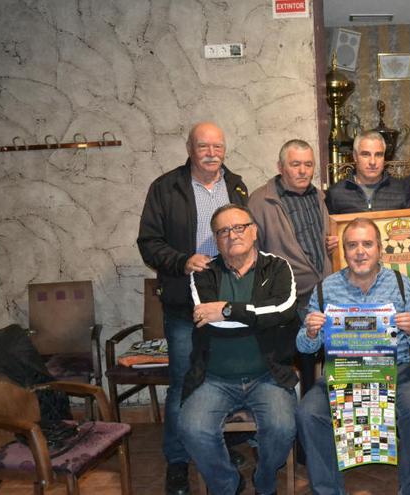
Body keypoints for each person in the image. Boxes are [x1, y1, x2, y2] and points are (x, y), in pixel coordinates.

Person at [137, 121, 248, 495]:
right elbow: (148, 242)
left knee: (226, 379)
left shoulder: (237, 185)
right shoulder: (165, 187)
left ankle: (218, 449)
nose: (212, 152)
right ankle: (178, 461)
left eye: (218, 146)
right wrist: (182, 260)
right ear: (190, 148)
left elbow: (246, 234)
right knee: (185, 383)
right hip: (185, 305)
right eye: (204, 146)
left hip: (228, 300)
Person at [295, 218, 410, 494]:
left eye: (367, 244)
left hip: (395, 372)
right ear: (343, 251)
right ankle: (327, 490)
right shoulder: (325, 288)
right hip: (342, 374)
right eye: (352, 245)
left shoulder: (401, 284)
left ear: (380, 249)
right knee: (308, 412)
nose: (360, 251)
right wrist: (311, 333)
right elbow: (304, 347)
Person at [177, 204, 297, 495]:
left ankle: (265, 480)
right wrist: (257, 317)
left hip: (267, 376)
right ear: (216, 239)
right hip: (214, 378)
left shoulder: (278, 267)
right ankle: (228, 484)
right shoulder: (203, 273)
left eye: (239, 227)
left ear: (254, 231)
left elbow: (284, 311)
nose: (232, 235)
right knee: (191, 429)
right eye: (223, 231)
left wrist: (228, 310)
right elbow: (208, 320)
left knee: (283, 428)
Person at [247, 139, 338, 392]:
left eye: (308, 164)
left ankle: (319, 415)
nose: (303, 171)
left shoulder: (320, 196)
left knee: (325, 361)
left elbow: (325, 239)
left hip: (322, 297)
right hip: (287, 303)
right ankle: (294, 419)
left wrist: (334, 242)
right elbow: (252, 256)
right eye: (295, 164)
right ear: (280, 166)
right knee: (292, 363)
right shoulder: (260, 201)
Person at [325, 130, 408, 214]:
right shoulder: (336, 193)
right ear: (355, 156)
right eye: (366, 154)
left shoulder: (402, 190)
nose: (372, 162)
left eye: (378, 155)